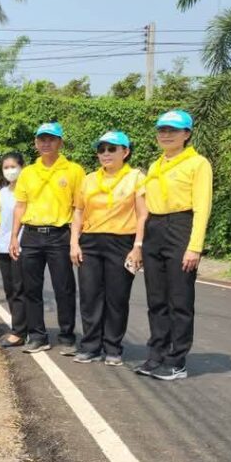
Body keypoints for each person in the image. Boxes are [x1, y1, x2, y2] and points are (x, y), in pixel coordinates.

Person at [136, 110, 213, 380]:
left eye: (173, 130)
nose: (166, 135)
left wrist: (195, 247)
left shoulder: (198, 164)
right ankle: (156, 354)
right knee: (156, 299)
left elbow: (202, 207)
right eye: (162, 130)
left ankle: (176, 361)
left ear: (186, 134)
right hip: (155, 228)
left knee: (179, 299)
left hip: (181, 226)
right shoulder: (155, 166)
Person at [70, 131, 147, 366]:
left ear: (125, 151)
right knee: (90, 296)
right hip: (90, 242)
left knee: (117, 297)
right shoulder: (89, 179)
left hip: (122, 242)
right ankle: (91, 346)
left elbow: (143, 215)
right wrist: (74, 242)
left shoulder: (135, 178)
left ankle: (113, 347)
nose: (106, 154)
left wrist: (138, 247)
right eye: (101, 149)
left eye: (112, 149)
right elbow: (78, 211)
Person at [9, 122, 85, 354]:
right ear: (35, 143)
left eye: (51, 139)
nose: (46, 143)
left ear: (60, 142)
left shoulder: (73, 170)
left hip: (59, 235)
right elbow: (20, 206)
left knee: (64, 288)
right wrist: (14, 237)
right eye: (42, 139)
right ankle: (38, 336)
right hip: (31, 235)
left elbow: (79, 208)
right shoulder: (28, 173)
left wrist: (75, 240)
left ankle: (67, 336)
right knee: (31, 289)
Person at [0, 152, 27, 348]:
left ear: (22, 167)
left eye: (13, 166)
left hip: (22, 245)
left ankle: (20, 331)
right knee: (10, 290)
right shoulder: (2, 193)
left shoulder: (27, 191)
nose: (10, 171)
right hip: (3, 246)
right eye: (6, 167)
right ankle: (19, 328)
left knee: (20, 289)